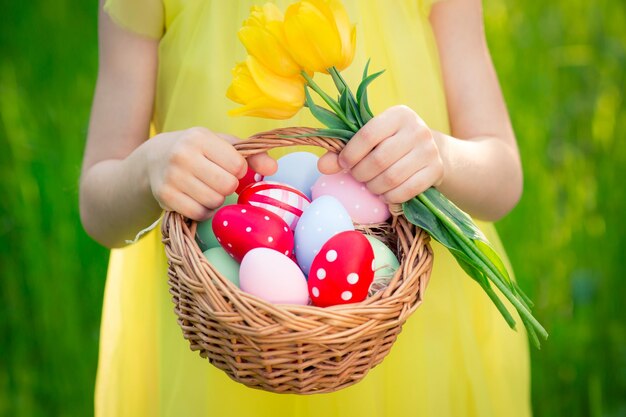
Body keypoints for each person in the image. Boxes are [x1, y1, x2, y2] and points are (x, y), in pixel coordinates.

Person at [79, 0, 531, 416]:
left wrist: (441, 156)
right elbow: (99, 213)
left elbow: (503, 179)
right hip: (221, 330)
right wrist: (147, 170)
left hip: (415, 335)